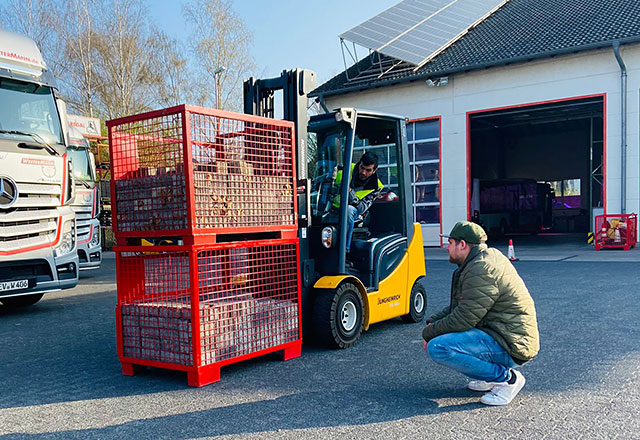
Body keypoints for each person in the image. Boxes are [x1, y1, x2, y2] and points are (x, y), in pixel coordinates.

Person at [422, 221, 539, 406]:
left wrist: (429, 334)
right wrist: (433, 321)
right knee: (440, 338)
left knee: (438, 347)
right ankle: (489, 378)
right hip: (502, 334)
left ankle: (507, 379)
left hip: (511, 344)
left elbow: (464, 318)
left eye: (450, 242)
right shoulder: (481, 260)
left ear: (462, 244)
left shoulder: (481, 268)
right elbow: (462, 306)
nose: (446, 247)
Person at [334, 151, 383, 254]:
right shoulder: (346, 170)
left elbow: (362, 208)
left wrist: (350, 192)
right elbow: (329, 188)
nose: (363, 172)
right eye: (362, 168)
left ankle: (343, 251)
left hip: (355, 214)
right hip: (333, 208)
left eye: (368, 170)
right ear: (359, 163)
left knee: (349, 210)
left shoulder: (376, 186)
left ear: (375, 170)